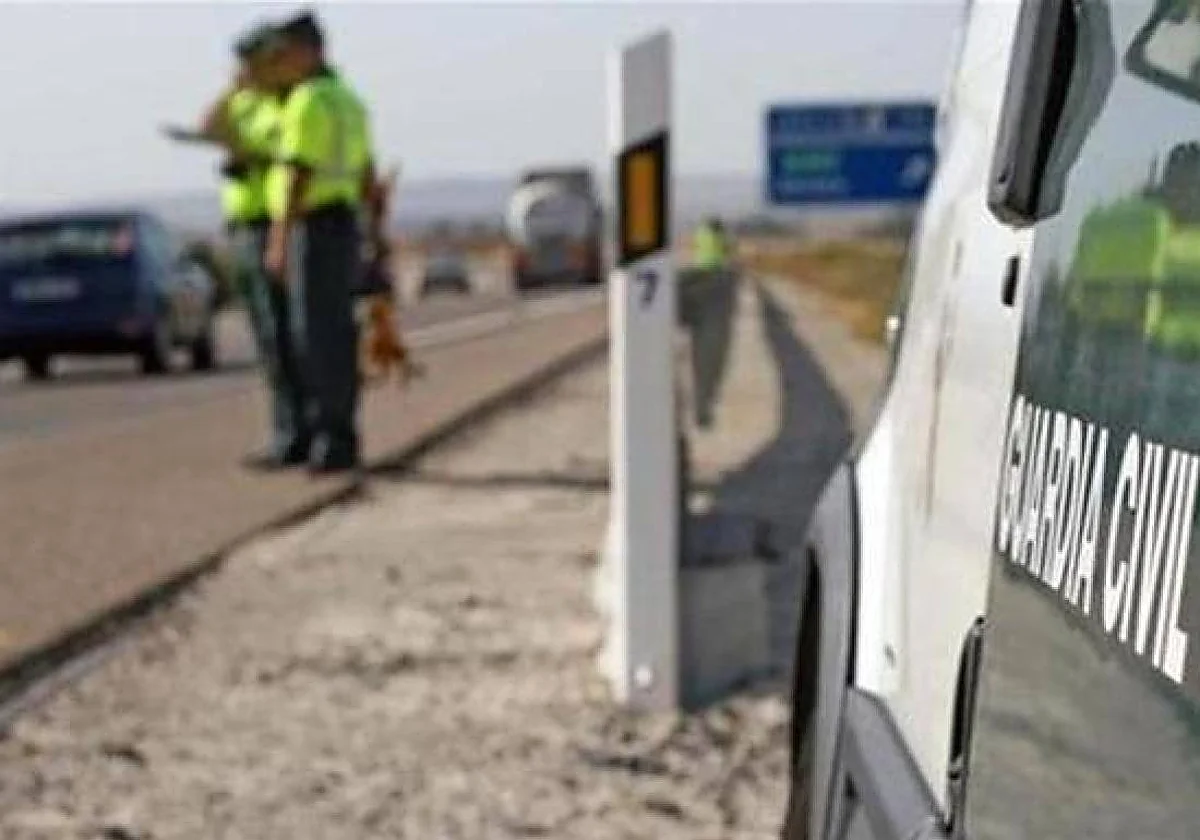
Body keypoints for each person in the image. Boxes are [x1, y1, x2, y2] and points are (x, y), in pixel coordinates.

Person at [264, 11, 384, 474]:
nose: (282, 64)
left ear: (306, 51)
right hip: (344, 224)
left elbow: (298, 172)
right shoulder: (348, 100)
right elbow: (368, 174)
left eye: (286, 54)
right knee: (336, 332)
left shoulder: (308, 101)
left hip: (313, 225)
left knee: (312, 336)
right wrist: (373, 232)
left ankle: (330, 438)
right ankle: (340, 433)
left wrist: (278, 240)